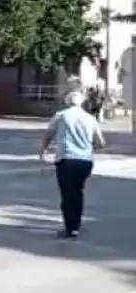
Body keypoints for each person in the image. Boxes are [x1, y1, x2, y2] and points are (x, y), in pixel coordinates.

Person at [39, 91, 106, 239]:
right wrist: (86, 146)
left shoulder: (61, 116)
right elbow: (101, 143)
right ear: (81, 103)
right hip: (85, 161)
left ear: (67, 102)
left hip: (67, 158)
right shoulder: (90, 118)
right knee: (77, 191)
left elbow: (49, 134)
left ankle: (71, 228)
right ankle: (76, 224)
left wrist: (43, 150)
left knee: (68, 194)